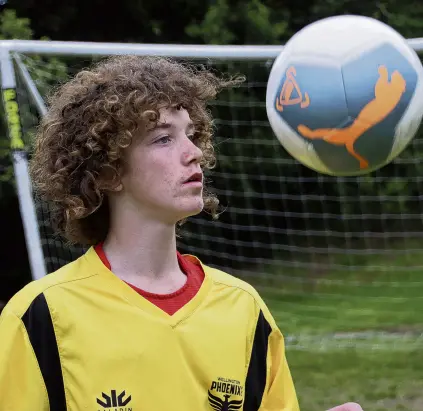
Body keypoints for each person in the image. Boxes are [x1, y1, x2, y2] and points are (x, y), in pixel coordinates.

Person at [0, 55, 363, 411]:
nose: (194, 153)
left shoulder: (244, 308)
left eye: (191, 135)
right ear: (107, 172)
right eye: (163, 139)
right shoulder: (39, 316)